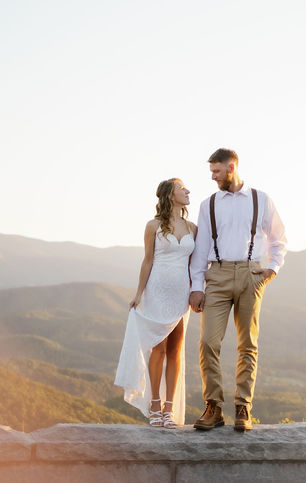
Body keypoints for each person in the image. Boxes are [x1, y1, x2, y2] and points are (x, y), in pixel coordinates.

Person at [189, 148, 287, 431]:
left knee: (248, 345)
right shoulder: (208, 205)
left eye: (216, 171)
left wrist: (271, 270)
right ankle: (214, 407)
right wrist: (197, 287)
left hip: (250, 274)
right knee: (208, 342)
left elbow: (279, 239)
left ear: (231, 167)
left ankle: (243, 407)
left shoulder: (261, 199)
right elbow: (200, 249)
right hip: (216, 275)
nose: (213, 176)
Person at [114, 178, 196, 428]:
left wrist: (197, 291)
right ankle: (155, 405)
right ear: (171, 195)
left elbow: (196, 264)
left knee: (175, 351)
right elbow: (147, 260)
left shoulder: (193, 228)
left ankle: (170, 408)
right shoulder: (153, 226)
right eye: (183, 188)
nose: (188, 191)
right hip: (156, 292)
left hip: (181, 295)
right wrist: (139, 293)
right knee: (157, 349)